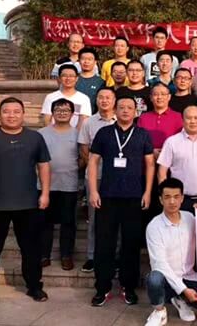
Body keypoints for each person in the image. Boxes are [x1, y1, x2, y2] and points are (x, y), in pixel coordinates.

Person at [0, 97, 51, 308]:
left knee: (31, 249)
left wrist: (45, 193)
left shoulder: (35, 138)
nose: (11, 115)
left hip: (28, 203)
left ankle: (34, 286)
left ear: (23, 114)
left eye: (16, 111)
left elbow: (44, 165)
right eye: (6, 111)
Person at [87, 95, 155, 307]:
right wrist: (93, 191)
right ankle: (102, 287)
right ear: (115, 111)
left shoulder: (143, 134)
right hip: (107, 196)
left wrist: (148, 192)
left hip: (134, 197)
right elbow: (93, 161)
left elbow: (150, 164)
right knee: (104, 243)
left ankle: (128, 286)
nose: (125, 110)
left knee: (131, 244)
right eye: (121, 107)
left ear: (136, 112)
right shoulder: (104, 133)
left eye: (129, 108)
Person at [144, 178, 197, 326]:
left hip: (188, 276)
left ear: (182, 198)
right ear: (160, 200)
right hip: (166, 280)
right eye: (167, 197)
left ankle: (180, 300)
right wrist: (184, 290)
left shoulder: (190, 218)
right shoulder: (154, 226)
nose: (172, 201)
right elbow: (159, 264)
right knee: (154, 278)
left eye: (176, 196)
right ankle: (159, 311)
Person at [77, 87, 116, 274]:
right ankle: (92, 256)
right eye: (101, 97)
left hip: (117, 178)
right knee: (94, 218)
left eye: (108, 97)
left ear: (114, 101)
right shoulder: (88, 122)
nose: (104, 101)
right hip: (95, 177)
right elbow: (84, 149)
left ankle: (115, 256)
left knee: (116, 218)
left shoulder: (122, 120)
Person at [38, 98, 79, 271]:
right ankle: (43, 255)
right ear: (52, 113)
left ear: (72, 114)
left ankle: (66, 255)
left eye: (66, 110)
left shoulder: (78, 134)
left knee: (68, 222)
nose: (62, 113)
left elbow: (83, 157)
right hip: (45, 186)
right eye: (58, 110)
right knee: (45, 222)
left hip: (69, 184)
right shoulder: (41, 133)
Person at [137, 83, 184, 158]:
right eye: (156, 94)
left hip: (172, 159)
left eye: (163, 94)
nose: (159, 97)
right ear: (151, 97)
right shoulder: (143, 118)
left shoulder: (178, 117)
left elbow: (181, 140)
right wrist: (151, 151)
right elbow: (139, 141)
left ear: (169, 97)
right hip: (147, 158)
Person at [41, 64, 92, 130]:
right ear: (59, 78)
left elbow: (83, 121)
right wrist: (53, 133)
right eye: (64, 75)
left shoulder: (84, 98)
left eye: (71, 76)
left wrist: (73, 134)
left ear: (77, 78)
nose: (68, 78)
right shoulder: (50, 97)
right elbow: (46, 120)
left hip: (76, 134)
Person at [76, 47, 105, 114]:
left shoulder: (101, 82)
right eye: (83, 59)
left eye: (90, 59)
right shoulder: (73, 80)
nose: (86, 62)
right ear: (79, 61)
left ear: (95, 62)